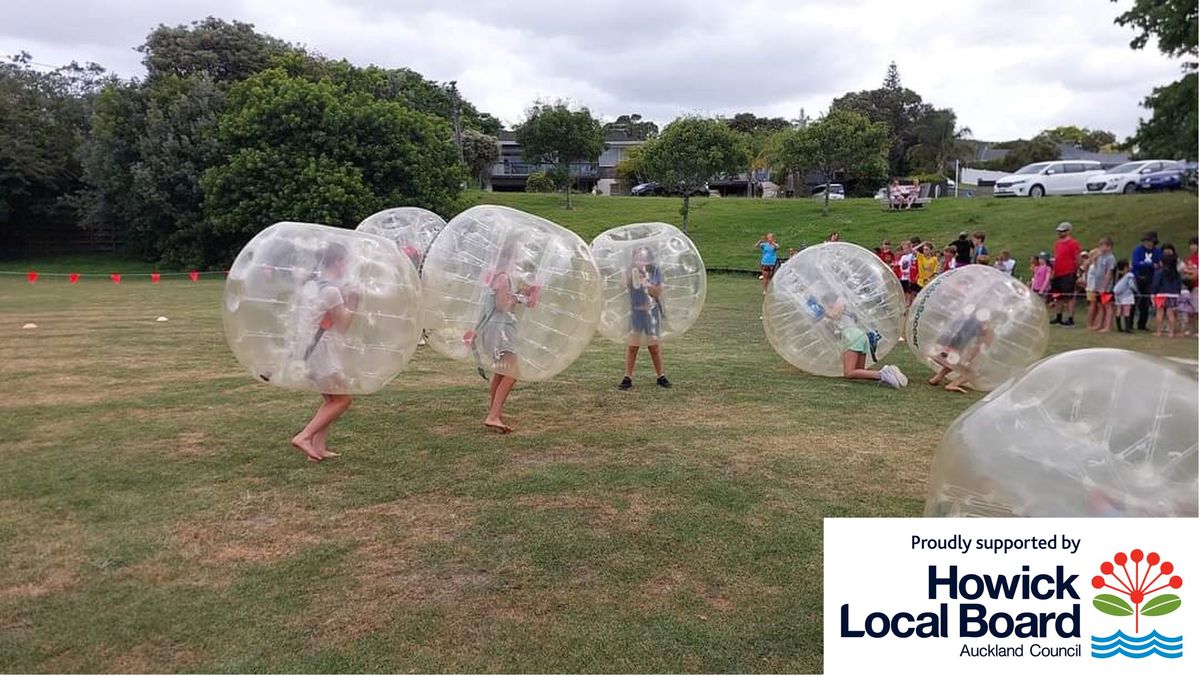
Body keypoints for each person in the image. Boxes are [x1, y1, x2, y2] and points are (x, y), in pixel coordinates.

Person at [291, 243, 358, 462]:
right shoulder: (330, 290)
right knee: (342, 400)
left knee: (331, 399)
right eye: (345, 261)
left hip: (306, 348)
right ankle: (304, 437)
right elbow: (343, 324)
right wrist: (354, 302)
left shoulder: (312, 285)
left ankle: (318, 449)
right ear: (338, 261)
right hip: (322, 350)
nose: (347, 266)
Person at [468, 244, 540, 433]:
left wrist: (519, 295)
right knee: (512, 373)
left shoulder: (493, 277)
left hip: (493, 329)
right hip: (501, 330)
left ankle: (495, 412)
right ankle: (493, 415)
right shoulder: (503, 278)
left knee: (500, 371)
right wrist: (521, 296)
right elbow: (503, 306)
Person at [812, 294, 907, 388]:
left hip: (852, 337)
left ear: (830, 302)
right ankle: (889, 371)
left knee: (849, 373)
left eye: (826, 304)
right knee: (859, 370)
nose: (827, 306)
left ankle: (882, 374)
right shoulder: (847, 307)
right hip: (861, 336)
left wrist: (822, 313)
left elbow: (834, 315)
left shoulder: (840, 304)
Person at [618, 246, 671, 390]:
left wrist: (647, 284)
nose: (642, 259)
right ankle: (627, 377)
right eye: (638, 257)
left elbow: (658, 292)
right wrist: (633, 274)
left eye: (644, 257)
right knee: (632, 346)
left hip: (651, 312)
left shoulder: (655, 271)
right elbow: (622, 286)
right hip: (635, 313)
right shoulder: (630, 271)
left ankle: (661, 376)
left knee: (654, 346)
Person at [928, 308, 994, 394]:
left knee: (955, 362)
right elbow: (982, 344)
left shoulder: (965, 321)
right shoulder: (984, 327)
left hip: (941, 351)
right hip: (949, 353)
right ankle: (953, 385)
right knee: (971, 372)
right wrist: (970, 360)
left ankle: (937, 378)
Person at [1049, 222, 1082, 327]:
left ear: (1068, 231)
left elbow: (1077, 258)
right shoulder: (1057, 243)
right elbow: (1056, 258)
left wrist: (1075, 270)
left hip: (1068, 273)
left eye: (1062, 231)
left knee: (1069, 297)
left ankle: (1070, 318)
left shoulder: (1073, 243)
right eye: (1059, 231)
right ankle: (1058, 316)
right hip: (1058, 273)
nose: (1060, 233)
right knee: (1058, 296)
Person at [1131, 232, 1162, 331]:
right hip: (1137, 277)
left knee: (1145, 302)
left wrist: (1148, 265)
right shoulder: (1138, 250)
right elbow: (1136, 263)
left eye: (1151, 241)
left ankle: (1142, 324)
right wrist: (1150, 265)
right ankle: (1129, 323)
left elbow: (1159, 264)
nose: (1148, 243)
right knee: (1133, 301)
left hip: (1149, 278)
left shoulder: (1157, 252)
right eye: (1147, 241)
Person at [1086, 237, 1117, 332]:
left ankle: (1108, 326)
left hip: (1106, 286)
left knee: (1107, 306)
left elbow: (1109, 273)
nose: (1101, 248)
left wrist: (1104, 286)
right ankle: (1099, 324)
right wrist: (1094, 257)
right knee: (1100, 305)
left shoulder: (1110, 258)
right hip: (1097, 284)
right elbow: (1092, 265)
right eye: (1100, 246)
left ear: (1109, 247)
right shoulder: (1100, 257)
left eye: (1103, 246)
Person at [1152, 244, 1182, 338]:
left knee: (1160, 312)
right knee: (1170, 313)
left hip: (1161, 294)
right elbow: (1179, 284)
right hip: (1173, 295)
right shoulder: (1176, 273)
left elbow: (1156, 283)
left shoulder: (1160, 272)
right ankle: (1171, 333)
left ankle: (1159, 332)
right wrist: (1177, 293)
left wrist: (1153, 292)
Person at [1112, 260, 1136, 333]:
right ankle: (1127, 328)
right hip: (1127, 295)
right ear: (1126, 267)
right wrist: (1136, 290)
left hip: (1118, 295)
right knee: (1126, 310)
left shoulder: (1118, 275)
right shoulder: (1129, 275)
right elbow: (1131, 285)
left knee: (1119, 309)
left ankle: (1119, 327)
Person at [897, 241, 917, 305]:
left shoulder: (911, 256)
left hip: (909, 276)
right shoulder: (903, 257)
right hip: (903, 276)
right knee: (905, 290)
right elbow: (900, 265)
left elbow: (914, 260)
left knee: (909, 291)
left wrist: (912, 251)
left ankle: (909, 302)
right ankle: (906, 302)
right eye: (903, 248)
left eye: (906, 248)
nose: (904, 250)